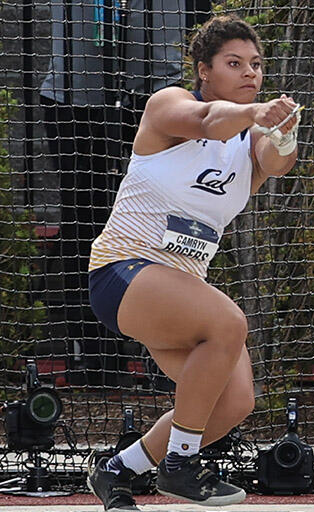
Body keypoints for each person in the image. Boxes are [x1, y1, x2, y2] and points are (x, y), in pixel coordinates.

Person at [85, 13, 300, 510]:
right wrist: (258, 112)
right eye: (234, 63)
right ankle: (180, 465)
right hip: (123, 270)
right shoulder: (170, 104)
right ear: (204, 70)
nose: (251, 73)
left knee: (233, 401)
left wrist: (283, 133)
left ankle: (119, 470)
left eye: (256, 64)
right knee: (228, 323)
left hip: (180, 290)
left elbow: (274, 161)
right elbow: (209, 122)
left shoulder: (250, 139)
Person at [40, 0, 206, 386]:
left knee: (168, 224)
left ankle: (167, 354)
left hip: (157, 95)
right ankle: (95, 357)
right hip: (75, 98)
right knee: (86, 219)